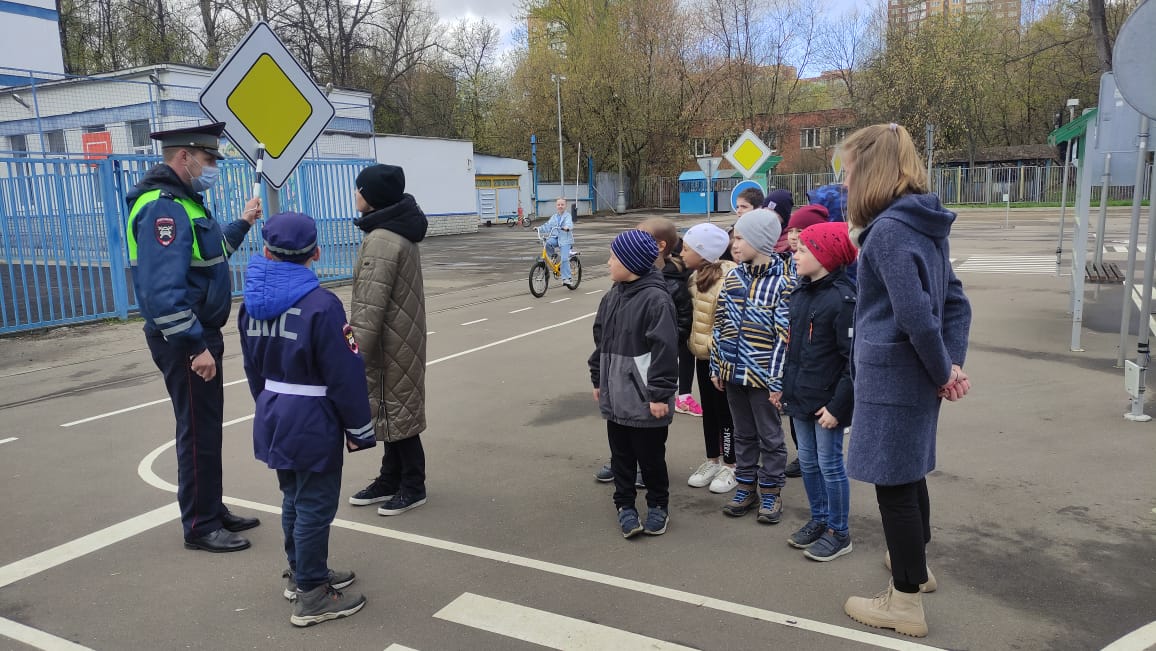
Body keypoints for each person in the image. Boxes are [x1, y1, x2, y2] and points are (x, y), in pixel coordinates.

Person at [838, 123, 971, 638]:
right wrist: (948, 368)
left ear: (871, 170)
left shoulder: (889, 231)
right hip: (913, 375)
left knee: (893, 483)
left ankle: (905, 602)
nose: (845, 183)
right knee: (908, 473)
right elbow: (956, 302)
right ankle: (913, 566)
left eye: (849, 171)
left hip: (892, 377)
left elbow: (917, 314)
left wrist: (944, 370)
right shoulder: (922, 224)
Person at [125, 122, 262, 553]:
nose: (213, 168)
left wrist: (241, 222)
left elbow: (211, 252)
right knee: (197, 431)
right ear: (184, 157)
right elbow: (161, 290)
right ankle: (201, 526)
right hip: (187, 339)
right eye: (208, 160)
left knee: (207, 427)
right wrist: (193, 344)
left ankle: (211, 507)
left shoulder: (188, 204)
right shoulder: (162, 209)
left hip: (201, 334)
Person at [237, 212, 375, 627]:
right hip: (313, 417)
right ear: (315, 253)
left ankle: (301, 573)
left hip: (275, 411)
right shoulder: (322, 305)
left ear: (265, 251)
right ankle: (313, 593)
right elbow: (345, 372)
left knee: (294, 497)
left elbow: (251, 368)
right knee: (316, 504)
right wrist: (359, 428)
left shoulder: (250, 304)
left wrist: (267, 406)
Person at [347, 164, 430, 516]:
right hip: (401, 336)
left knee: (397, 412)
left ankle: (412, 485)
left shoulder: (381, 239)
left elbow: (369, 306)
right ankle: (390, 476)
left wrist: (353, 356)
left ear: (372, 196)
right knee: (393, 410)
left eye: (359, 189)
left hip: (389, 342)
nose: (355, 195)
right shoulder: (395, 231)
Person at [589, 230, 679, 538]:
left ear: (631, 262)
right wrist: (597, 376)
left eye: (614, 257)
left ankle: (658, 505)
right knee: (621, 458)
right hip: (616, 398)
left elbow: (666, 352)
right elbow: (601, 342)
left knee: (651, 459)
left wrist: (659, 394)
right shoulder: (612, 296)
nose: (609, 262)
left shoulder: (656, 300)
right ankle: (624, 505)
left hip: (645, 401)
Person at [711, 208, 795, 524]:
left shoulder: (783, 283)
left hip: (763, 378)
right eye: (734, 237)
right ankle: (746, 486)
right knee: (743, 433)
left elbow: (783, 337)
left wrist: (776, 380)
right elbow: (720, 324)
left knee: (769, 436)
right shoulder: (732, 277)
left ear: (760, 241)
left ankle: (771, 491)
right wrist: (717, 366)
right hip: (733, 374)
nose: (734, 243)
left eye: (741, 238)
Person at [781, 222, 857, 562]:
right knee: (809, 463)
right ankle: (820, 518)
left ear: (825, 255)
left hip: (827, 404)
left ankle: (839, 531)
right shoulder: (800, 293)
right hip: (800, 397)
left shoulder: (842, 301)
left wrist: (838, 407)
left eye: (803, 250)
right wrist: (782, 390)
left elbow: (852, 362)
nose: (795, 254)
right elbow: (793, 351)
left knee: (829, 465)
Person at [681, 223, 739, 493]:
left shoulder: (728, 278)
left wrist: (721, 361)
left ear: (703, 253)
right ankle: (711, 460)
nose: (682, 253)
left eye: (687, 249)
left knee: (726, 412)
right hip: (702, 357)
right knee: (709, 412)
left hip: (722, 361)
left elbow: (728, 325)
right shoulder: (694, 278)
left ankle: (731, 465)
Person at [780, 204, 831, 480]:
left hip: (819, 375)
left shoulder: (835, 291)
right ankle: (804, 455)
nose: (793, 236)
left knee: (826, 457)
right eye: (791, 230)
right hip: (796, 366)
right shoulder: (791, 265)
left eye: (800, 231)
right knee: (798, 418)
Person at [638, 218, 695, 416]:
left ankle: (681, 397)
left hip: (658, 356)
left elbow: (684, 322)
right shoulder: (633, 277)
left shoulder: (676, 281)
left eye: (642, 238)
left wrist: (665, 341)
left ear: (661, 245)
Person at [542, 197, 576, 287]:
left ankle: (567, 278)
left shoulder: (567, 216)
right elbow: (547, 225)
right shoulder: (554, 217)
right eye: (558, 204)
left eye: (562, 204)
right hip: (556, 238)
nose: (560, 206)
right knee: (547, 243)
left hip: (565, 240)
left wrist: (567, 227)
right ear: (556, 206)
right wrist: (539, 228)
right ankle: (554, 256)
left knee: (564, 259)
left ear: (565, 206)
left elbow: (569, 224)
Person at [764, 188, 794, 255]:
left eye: (772, 213)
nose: (767, 217)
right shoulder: (760, 233)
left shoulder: (792, 238)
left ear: (784, 215)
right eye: (765, 212)